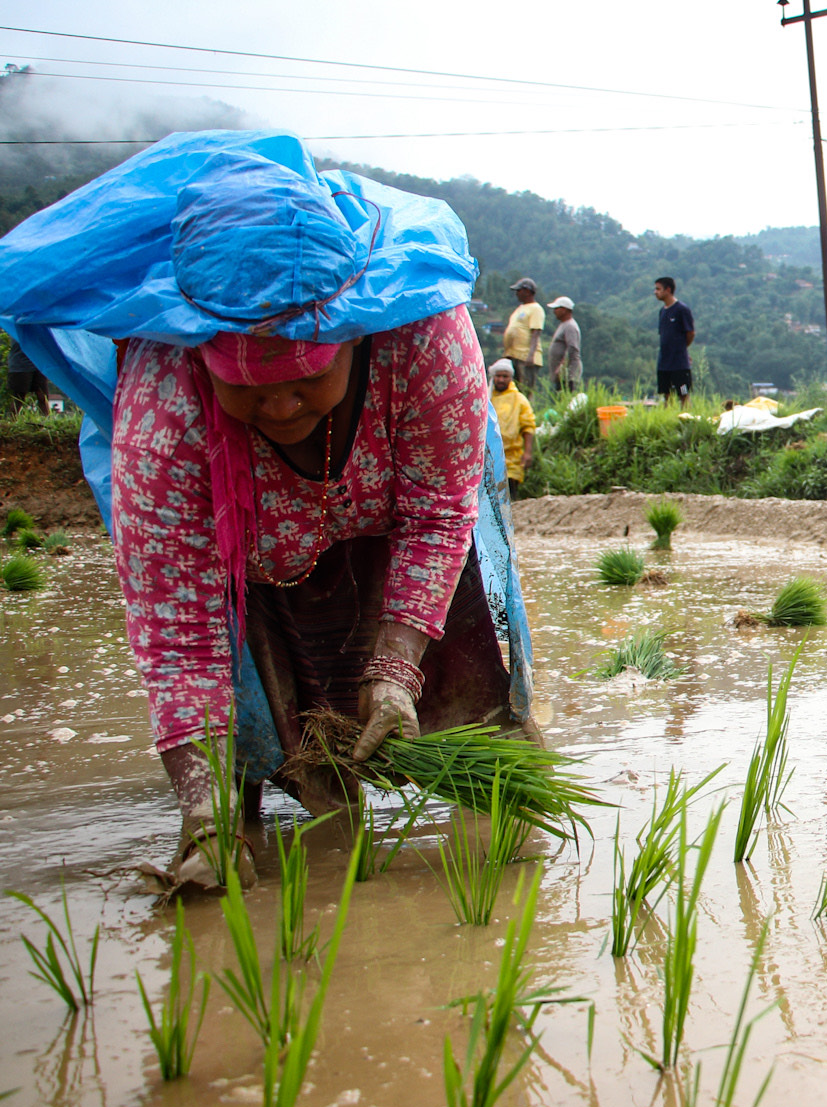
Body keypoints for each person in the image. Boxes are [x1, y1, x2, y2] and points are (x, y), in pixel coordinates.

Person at [0, 130, 540, 894]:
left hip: (405, 503)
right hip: (249, 543)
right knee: (263, 734)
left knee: (478, 705)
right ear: (198, 352)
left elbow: (437, 515)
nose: (281, 402)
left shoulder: (423, 337)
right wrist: (203, 813)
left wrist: (393, 669)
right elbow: (178, 630)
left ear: (352, 333)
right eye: (247, 387)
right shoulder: (165, 408)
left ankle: (494, 787)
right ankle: (240, 807)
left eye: (306, 374)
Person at [491, 359, 540, 498]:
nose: (501, 379)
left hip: (512, 459)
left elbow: (528, 426)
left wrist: (528, 452)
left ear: (510, 378)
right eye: (498, 376)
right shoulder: (486, 398)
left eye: (505, 376)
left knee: (510, 497)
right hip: (488, 458)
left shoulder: (519, 400)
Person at [653, 276, 694, 402]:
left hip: (679, 365)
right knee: (666, 394)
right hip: (664, 364)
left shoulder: (681, 310)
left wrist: (682, 349)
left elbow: (690, 333)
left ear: (668, 290)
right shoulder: (662, 312)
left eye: (658, 289)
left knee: (683, 393)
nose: (655, 292)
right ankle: (669, 419)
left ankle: (687, 418)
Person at [501, 277, 545, 390]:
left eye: (519, 290)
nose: (517, 293)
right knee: (514, 389)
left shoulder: (536, 309)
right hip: (514, 355)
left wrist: (530, 355)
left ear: (527, 291)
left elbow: (536, 332)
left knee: (525, 388)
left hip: (525, 357)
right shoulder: (521, 308)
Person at [5, 328, 48, 412]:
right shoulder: (17, 327)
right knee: (19, 397)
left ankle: (46, 419)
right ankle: (13, 420)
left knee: (42, 396)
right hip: (20, 366)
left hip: (37, 364)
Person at [545, 296, 582, 391]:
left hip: (568, 374)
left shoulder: (570, 326)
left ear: (564, 310)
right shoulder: (564, 324)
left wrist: (562, 367)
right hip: (562, 374)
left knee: (567, 396)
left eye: (557, 308)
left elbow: (572, 349)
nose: (554, 311)